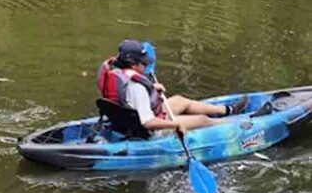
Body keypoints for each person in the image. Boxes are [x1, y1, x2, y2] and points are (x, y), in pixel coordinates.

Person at [98, 39, 247, 135]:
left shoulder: (115, 72)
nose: (146, 65)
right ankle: (235, 124)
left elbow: (126, 96)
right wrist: (175, 125)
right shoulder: (137, 87)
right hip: (146, 128)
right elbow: (148, 123)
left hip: (129, 118)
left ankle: (228, 110)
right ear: (133, 64)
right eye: (143, 63)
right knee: (202, 120)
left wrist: (152, 88)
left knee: (180, 100)